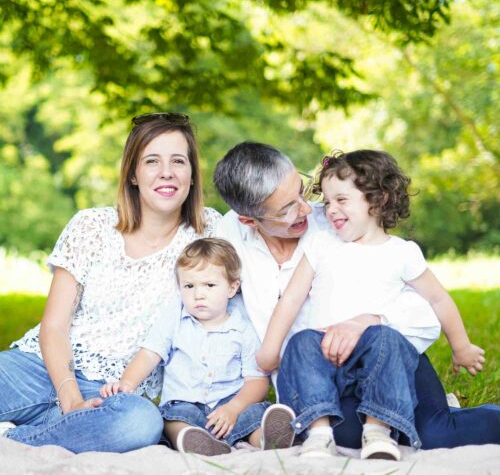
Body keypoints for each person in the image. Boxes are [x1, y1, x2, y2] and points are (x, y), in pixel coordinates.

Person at [213, 141, 500, 454]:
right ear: (249, 220)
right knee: (342, 435)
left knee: (435, 435)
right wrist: (269, 352)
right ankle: (394, 417)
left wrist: (373, 322)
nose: (313, 208)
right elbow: (285, 301)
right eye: (287, 209)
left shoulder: (350, 229)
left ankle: (419, 415)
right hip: (326, 377)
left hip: (386, 355)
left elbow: (432, 302)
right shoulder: (233, 237)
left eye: (304, 190)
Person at [0, 112, 221, 453]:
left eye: (179, 160)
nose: (167, 172)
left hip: (114, 394)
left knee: (141, 424)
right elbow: (54, 325)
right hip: (39, 369)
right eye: (152, 161)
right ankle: (64, 426)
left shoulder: (212, 233)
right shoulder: (91, 226)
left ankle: (14, 438)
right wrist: (70, 400)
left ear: (192, 175)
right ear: (133, 174)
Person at [100, 238, 296, 455]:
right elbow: (149, 354)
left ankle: (266, 440)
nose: (198, 294)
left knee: (256, 414)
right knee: (171, 419)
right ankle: (193, 442)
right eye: (189, 286)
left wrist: (233, 408)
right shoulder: (175, 315)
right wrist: (127, 382)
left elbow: (257, 381)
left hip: (229, 409)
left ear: (232, 288)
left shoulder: (243, 326)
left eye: (209, 285)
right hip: (185, 404)